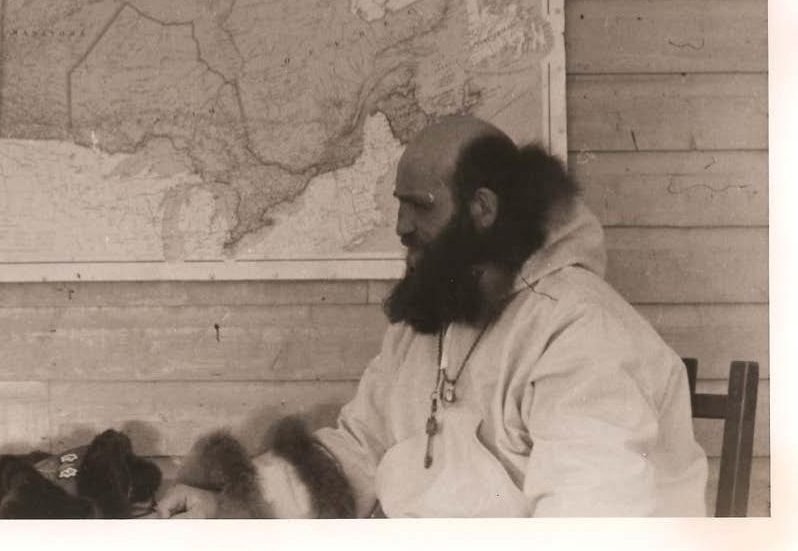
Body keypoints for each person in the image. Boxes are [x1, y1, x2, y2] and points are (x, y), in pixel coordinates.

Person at [155, 114, 708, 518]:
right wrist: (227, 507)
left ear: (482, 209)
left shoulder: (580, 330)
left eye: (419, 205)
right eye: (399, 203)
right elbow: (361, 449)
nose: (399, 226)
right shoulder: (430, 320)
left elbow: (591, 518)